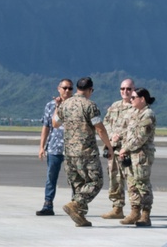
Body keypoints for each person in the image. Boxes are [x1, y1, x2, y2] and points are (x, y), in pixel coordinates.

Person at [54, 77, 112, 227]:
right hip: (86, 152)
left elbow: (55, 123)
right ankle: (76, 204)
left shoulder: (65, 105)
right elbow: (99, 128)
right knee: (96, 182)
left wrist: (58, 106)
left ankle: (80, 217)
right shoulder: (90, 106)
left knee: (78, 185)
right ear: (90, 90)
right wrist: (109, 146)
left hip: (69, 153)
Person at [118, 87, 157, 227]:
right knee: (132, 184)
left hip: (141, 156)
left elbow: (141, 137)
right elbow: (126, 132)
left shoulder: (148, 115)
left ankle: (145, 215)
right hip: (130, 155)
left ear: (142, 99)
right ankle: (135, 212)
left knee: (142, 184)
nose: (131, 99)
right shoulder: (134, 113)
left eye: (134, 97)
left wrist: (126, 148)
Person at [36, 79, 72, 215]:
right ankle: (48, 204)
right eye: (64, 88)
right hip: (54, 147)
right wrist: (41, 147)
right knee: (51, 176)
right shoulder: (50, 105)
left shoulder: (75, 105)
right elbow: (46, 126)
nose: (67, 91)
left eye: (70, 88)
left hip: (71, 148)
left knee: (73, 177)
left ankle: (76, 205)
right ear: (59, 89)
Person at [100, 78, 135, 219]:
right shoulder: (114, 106)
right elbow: (105, 123)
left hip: (128, 150)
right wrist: (111, 135)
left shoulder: (136, 107)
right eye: (122, 89)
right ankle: (117, 208)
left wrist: (119, 136)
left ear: (133, 90)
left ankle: (135, 210)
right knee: (114, 178)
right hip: (113, 149)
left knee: (132, 180)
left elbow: (135, 128)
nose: (125, 92)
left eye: (128, 89)